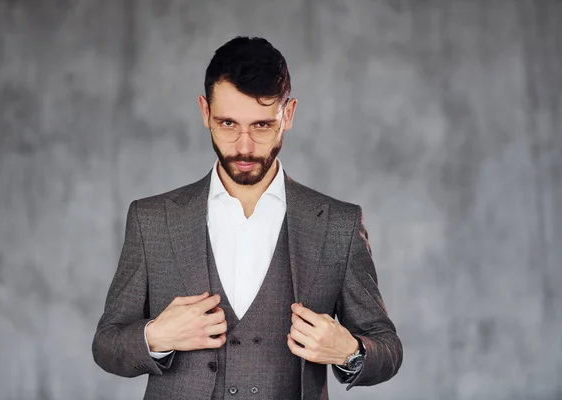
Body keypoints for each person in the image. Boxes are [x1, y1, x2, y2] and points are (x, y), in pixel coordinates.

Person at [92, 36, 402, 400]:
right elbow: (106, 345)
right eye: (227, 124)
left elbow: (388, 349)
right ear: (205, 112)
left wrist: (350, 352)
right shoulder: (152, 220)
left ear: (288, 114)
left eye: (261, 126)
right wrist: (155, 337)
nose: (243, 146)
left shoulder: (338, 225)